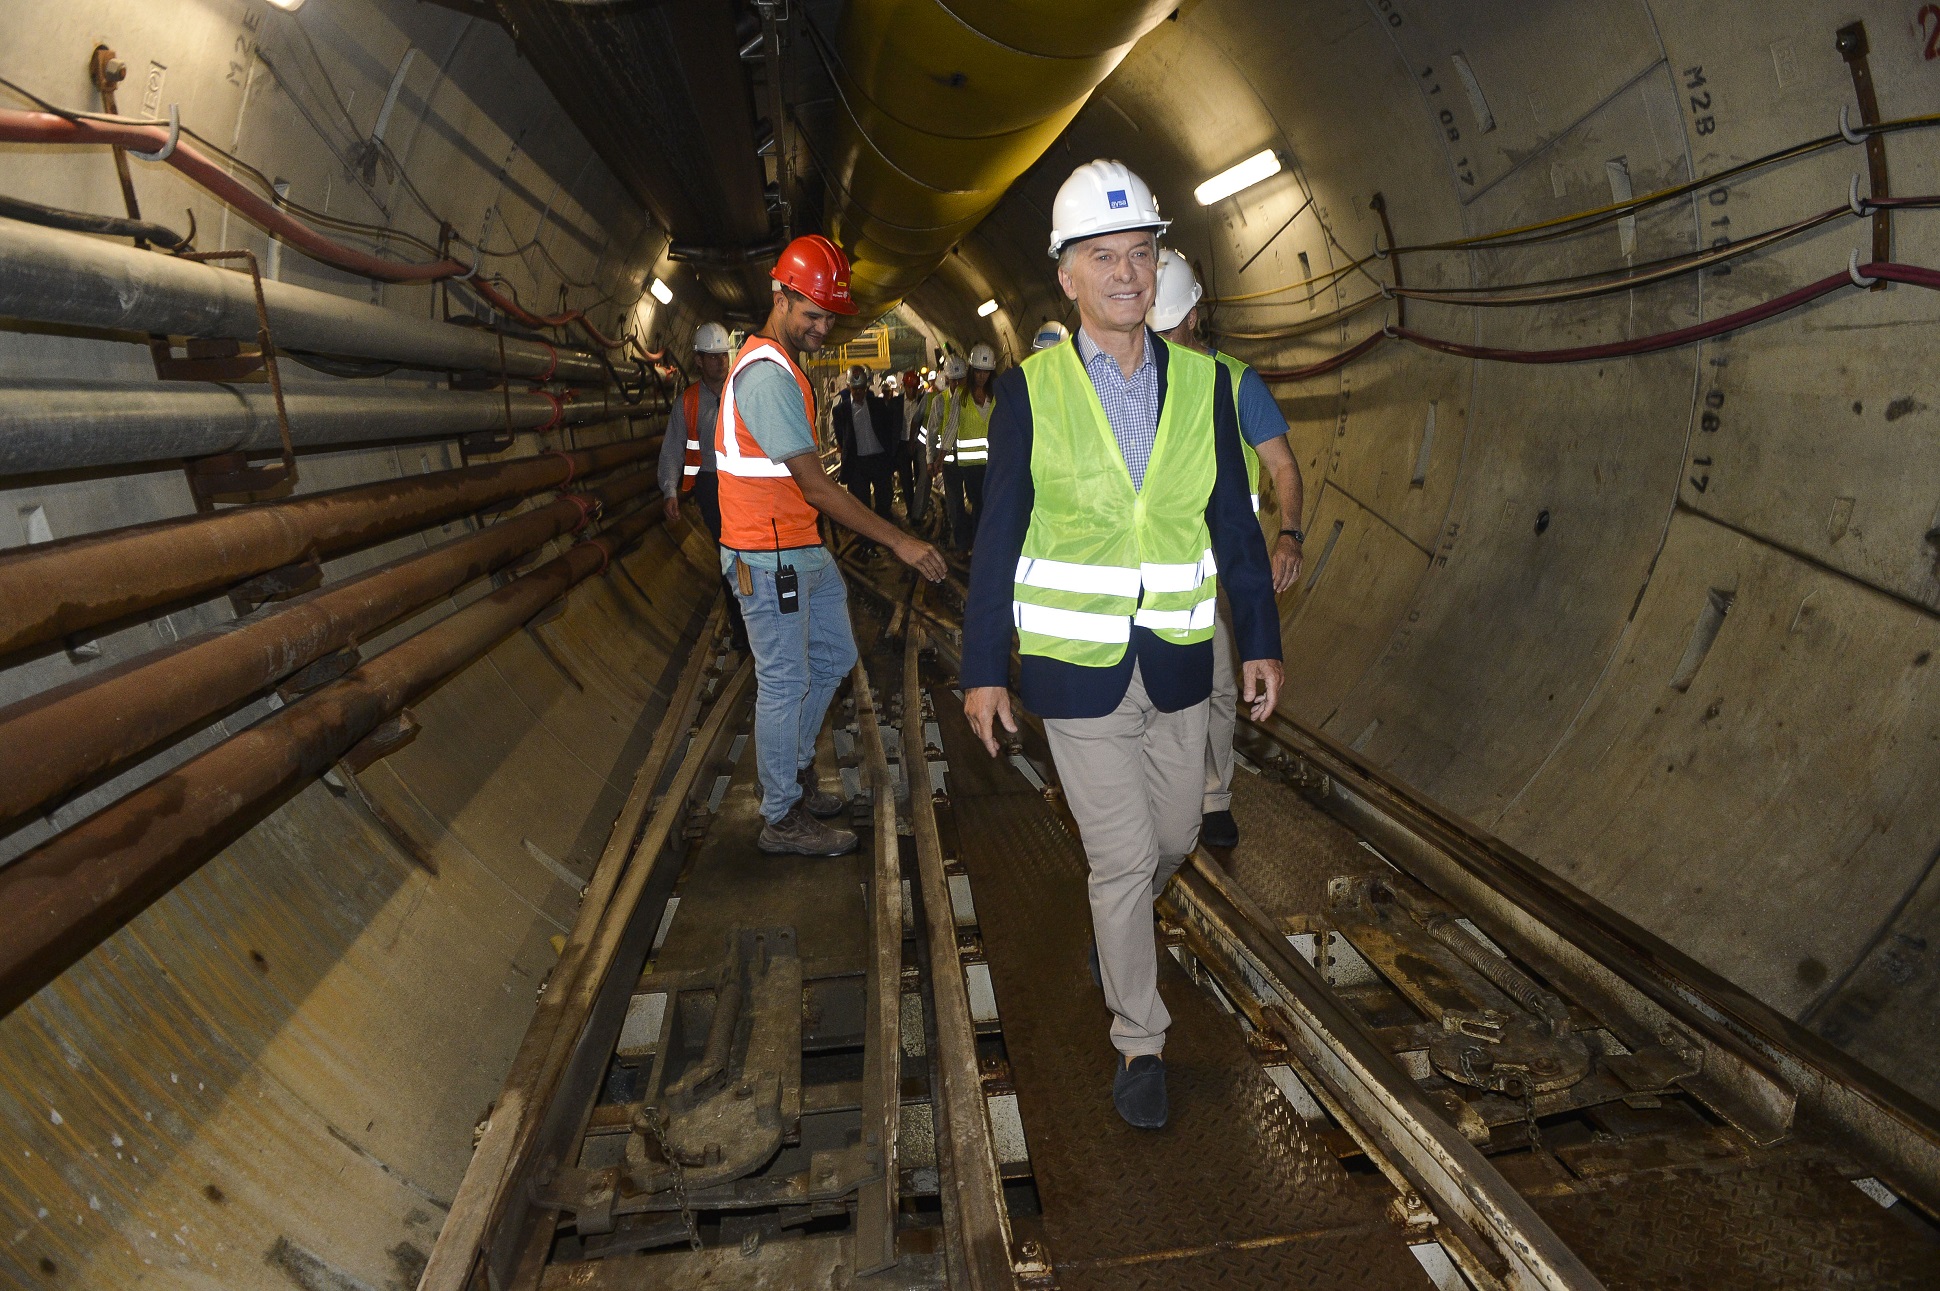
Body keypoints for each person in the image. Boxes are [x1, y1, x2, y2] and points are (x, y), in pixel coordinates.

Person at [960, 160, 1282, 1129]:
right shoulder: (1029, 391)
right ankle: (1139, 1038)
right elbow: (996, 533)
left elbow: (1232, 522)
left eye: (1139, 253)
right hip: (1072, 672)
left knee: (1175, 837)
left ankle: (1123, 924)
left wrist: (1259, 639)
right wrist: (981, 669)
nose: (1126, 273)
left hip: (1180, 660)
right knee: (1117, 857)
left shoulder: (1203, 387)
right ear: (1066, 275)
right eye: (1103, 257)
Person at [716, 234, 947, 855]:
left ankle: (790, 774)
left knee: (836, 658)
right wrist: (899, 539)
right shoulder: (764, 376)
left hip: (801, 550)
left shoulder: (786, 368)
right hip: (766, 560)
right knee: (783, 681)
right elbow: (817, 486)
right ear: (781, 297)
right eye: (812, 313)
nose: (822, 327)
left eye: (828, 316)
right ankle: (781, 815)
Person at [1148, 248, 1305, 848]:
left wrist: (1288, 535)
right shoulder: (1136, 381)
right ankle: (1175, 788)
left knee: (1214, 682)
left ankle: (1211, 796)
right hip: (1155, 562)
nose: (1160, 339)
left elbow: (1283, 467)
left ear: (1193, 316)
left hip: (1218, 569)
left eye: (1168, 328)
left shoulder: (1236, 383)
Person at [658, 321, 749, 651]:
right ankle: (743, 628)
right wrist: (671, 490)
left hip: (746, 482)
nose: (719, 362)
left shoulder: (743, 392)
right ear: (698, 360)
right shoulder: (689, 401)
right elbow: (673, 447)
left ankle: (763, 623)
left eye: (722, 355)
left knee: (755, 553)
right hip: (710, 486)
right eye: (711, 357)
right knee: (729, 555)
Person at [935, 344, 997, 554]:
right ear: (972, 371)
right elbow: (951, 427)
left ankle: (983, 543)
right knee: (979, 502)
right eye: (978, 371)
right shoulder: (961, 396)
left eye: (986, 372)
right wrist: (940, 457)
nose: (982, 376)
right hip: (970, 465)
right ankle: (979, 546)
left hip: (992, 463)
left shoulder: (996, 395)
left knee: (988, 503)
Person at [832, 364, 898, 537]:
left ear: (867, 387)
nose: (859, 393)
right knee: (861, 506)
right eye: (855, 389)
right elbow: (841, 437)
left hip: (879, 460)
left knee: (884, 499)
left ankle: (885, 535)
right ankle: (867, 542)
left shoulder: (877, 405)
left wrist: (890, 456)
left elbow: (888, 429)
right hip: (858, 464)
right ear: (848, 387)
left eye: (861, 389)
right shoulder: (841, 411)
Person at [928, 356, 967, 547]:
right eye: (955, 380)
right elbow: (932, 432)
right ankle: (961, 543)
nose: (958, 384)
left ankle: (973, 542)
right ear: (948, 379)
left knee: (977, 503)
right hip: (950, 463)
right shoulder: (939, 402)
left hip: (973, 463)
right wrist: (931, 459)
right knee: (955, 505)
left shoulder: (973, 398)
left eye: (961, 379)